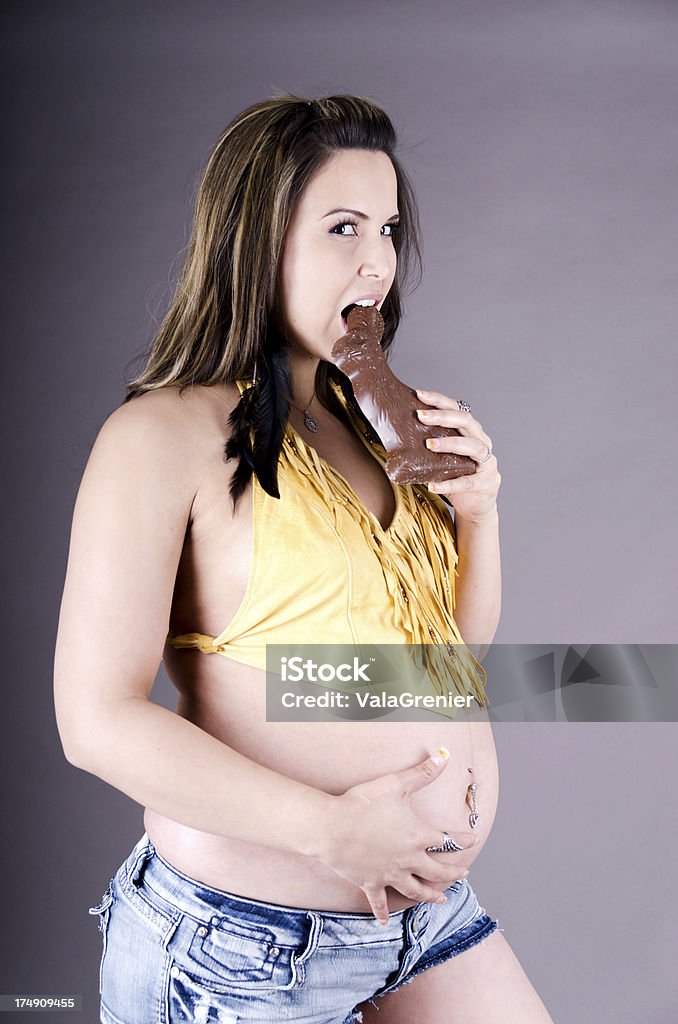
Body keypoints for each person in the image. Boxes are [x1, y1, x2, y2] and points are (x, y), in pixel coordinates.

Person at [54, 94, 553, 1023]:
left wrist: (478, 515)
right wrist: (331, 831)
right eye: (342, 228)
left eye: (390, 229)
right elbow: (94, 721)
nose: (377, 263)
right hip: (239, 944)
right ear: (257, 241)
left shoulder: (377, 428)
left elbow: (449, 658)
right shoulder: (159, 437)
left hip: (421, 918)